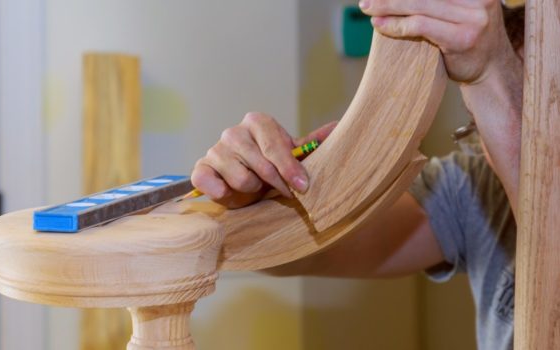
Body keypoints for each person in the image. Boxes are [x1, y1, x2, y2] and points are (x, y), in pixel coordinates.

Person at [190, 2, 525, 349]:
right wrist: (257, 200)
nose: (491, 145)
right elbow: (313, 248)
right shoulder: (476, 186)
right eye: (479, 122)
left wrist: (492, 78)